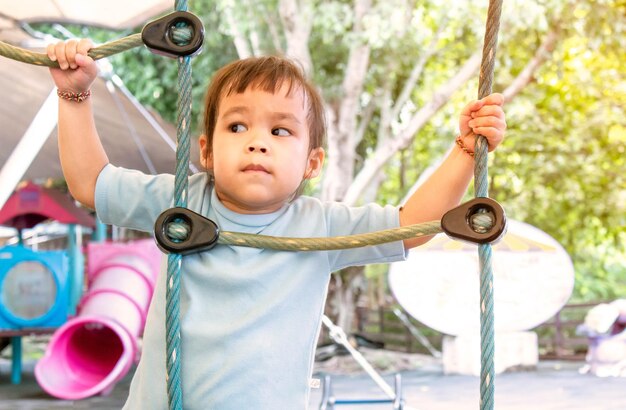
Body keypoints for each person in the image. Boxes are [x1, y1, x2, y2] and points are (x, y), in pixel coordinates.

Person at [47, 39, 506, 409]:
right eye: (237, 127)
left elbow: (415, 224)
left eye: (280, 131)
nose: (257, 143)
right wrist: (74, 95)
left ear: (312, 163)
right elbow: (91, 184)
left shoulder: (319, 227)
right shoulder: (180, 201)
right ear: (206, 151)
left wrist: (466, 151)